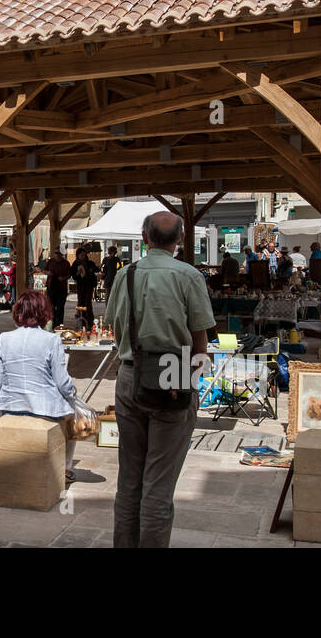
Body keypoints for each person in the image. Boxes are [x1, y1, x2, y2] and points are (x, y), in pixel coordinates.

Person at [106, 211, 215, 548]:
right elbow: (201, 344)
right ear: (181, 239)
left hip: (130, 371)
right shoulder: (189, 276)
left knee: (130, 478)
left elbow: (114, 328)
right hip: (175, 371)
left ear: (144, 238)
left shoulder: (126, 274)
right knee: (159, 482)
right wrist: (192, 382)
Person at [0, 289, 80, 481]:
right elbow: (62, 382)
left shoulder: (4, 338)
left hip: (9, 406)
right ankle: (64, 467)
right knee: (72, 412)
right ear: (44, 313)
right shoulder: (52, 340)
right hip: (44, 408)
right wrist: (72, 394)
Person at [71, 251, 99, 332]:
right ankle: (82, 321)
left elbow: (97, 269)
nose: (83, 256)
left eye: (84, 255)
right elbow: (73, 275)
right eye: (81, 255)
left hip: (89, 285)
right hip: (81, 286)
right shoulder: (75, 263)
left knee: (88, 303)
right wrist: (77, 273)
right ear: (78, 255)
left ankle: (90, 321)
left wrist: (91, 269)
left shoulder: (89, 263)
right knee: (81, 303)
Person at [45, 249, 71, 328]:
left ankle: (59, 324)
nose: (57, 255)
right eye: (56, 253)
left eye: (59, 253)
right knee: (51, 307)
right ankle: (52, 323)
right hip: (51, 286)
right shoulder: (50, 262)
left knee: (60, 307)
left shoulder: (66, 263)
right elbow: (44, 270)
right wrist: (48, 273)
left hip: (61, 288)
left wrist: (63, 278)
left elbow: (69, 274)